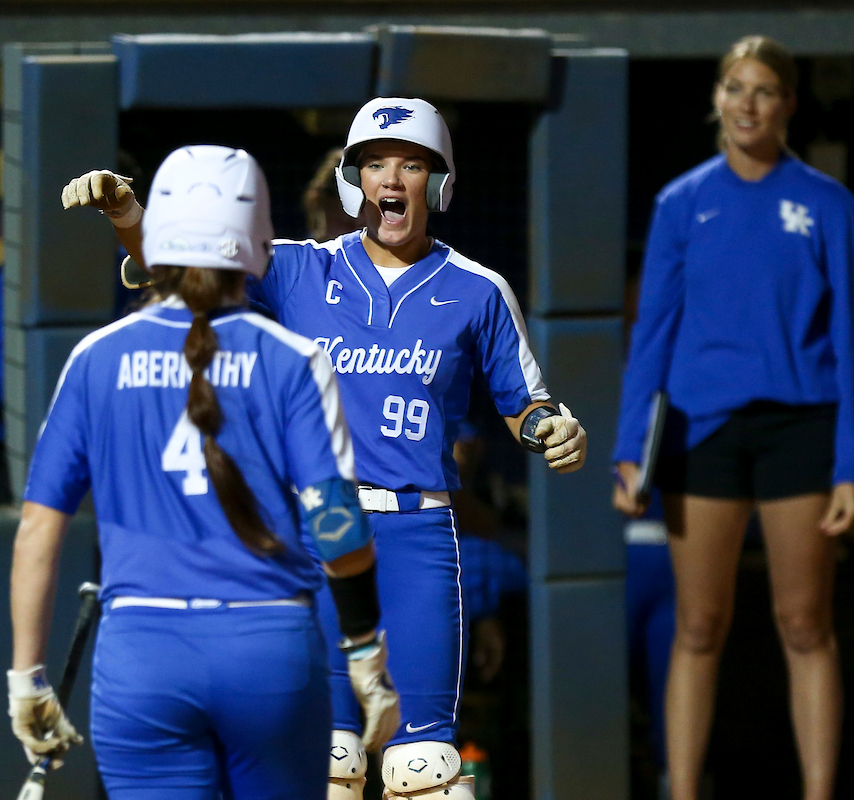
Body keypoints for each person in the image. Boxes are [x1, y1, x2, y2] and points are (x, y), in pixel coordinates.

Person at [63, 96, 586, 800]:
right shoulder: (300, 270)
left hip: (418, 531)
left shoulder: (477, 290)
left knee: (423, 768)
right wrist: (128, 218)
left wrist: (551, 428)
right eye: (375, 164)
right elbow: (184, 265)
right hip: (318, 529)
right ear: (354, 180)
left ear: (438, 181)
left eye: (410, 164)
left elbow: (525, 401)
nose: (392, 180)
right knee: (330, 761)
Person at [12, 145, 398, 798]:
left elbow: (37, 531)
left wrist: (26, 677)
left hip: (142, 659)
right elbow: (335, 521)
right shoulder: (292, 358)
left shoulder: (95, 358)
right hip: (269, 653)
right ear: (255, 241)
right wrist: (363, 648)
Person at [612, 35, 854, 800]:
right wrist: (632, 450)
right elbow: (652, 335)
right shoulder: (681, 202)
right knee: (698, 627)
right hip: (702, 435)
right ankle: (683, 789)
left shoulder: (831, 205)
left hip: (802, 430)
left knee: (805, 624)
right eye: (735, 87)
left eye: (764, 90)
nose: (747, 103)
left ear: (789, 104)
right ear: (718, 99)